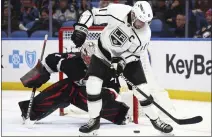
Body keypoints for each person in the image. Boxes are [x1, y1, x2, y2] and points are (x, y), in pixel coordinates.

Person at [71, 1, 173, 135]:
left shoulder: (145, 34)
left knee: (142, 91)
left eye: (146, 22)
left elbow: (134, 55)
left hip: (129, 61)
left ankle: (156, 120)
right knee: (92, 85)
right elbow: (91, 14)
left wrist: (121, 62)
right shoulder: (117, 11)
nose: (143, 25)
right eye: (141, 21)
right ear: (133, 14)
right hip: (102, 53)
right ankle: (94, 121)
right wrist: (81, 29)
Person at [19, 42, 129, 126]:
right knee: (68, 87)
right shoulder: (73, 62)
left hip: (103, 97)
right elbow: (51, 60)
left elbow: (114, 91)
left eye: (93, 58)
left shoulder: (106, 65)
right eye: (87, 58)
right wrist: (40, 74)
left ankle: (119, 114)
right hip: (80, 94)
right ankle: (31, 111)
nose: (90, 61)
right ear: (82, 55)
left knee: (72, 88)